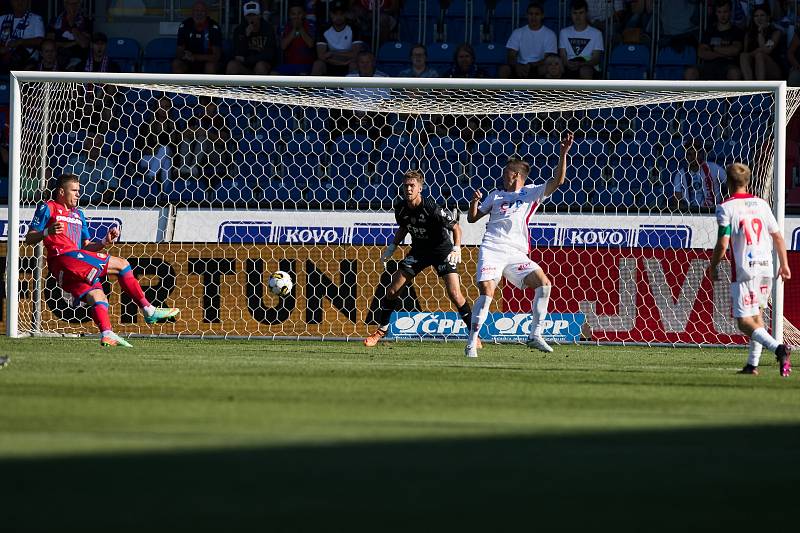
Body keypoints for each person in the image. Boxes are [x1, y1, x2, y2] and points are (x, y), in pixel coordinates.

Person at [25, 174, 180, 347]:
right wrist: (47, 232)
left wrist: (104, 242)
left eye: (79, 191)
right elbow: (29, 238)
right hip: (63, 258)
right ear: (61, 191)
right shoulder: (49, 207)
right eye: (74, 190)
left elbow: (85, 246)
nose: (78, 194)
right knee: (122, 265)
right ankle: (148, 309)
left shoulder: (78, 215)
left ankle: (107, 333)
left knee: (98, 296)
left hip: (72, 266)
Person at [464, 133, 574, 358]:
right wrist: (474, 203)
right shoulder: (495, 195)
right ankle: (472, 343)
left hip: (516, 253)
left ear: (515, 175)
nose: (502, 177)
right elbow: (472, 219)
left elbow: (558, 181)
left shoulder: (531, 193)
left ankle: (535, 335)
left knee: (544, 284)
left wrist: (563, 154)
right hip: (492, 248)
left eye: (506, 173)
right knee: (487, 292)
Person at [364, 170, 475, 347]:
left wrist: (456, 248)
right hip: (419, 252)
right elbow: (404, 227)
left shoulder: (431, 208)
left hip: (441, 251)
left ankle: (473, 335)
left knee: (455, 294)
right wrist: (392, 247)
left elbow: (456, 228)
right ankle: (381, 330)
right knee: (392, 291)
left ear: (420, 188)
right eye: (406, 185)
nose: (408, 189)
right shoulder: (400, 208)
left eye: (412, 186)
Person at [707, 162, 791, 377]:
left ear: (727, 182)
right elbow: (778, 236)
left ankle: (779, 349)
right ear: (748, 181)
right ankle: (752, 365)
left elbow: (723, 243)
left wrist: (714, 265)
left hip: (745, 270)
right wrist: (784, 264)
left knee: (744, 322)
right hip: (766, 268)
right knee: (758, 318)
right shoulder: (761, 204)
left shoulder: (726, 208)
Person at [685, 0, 743, 80]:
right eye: (719, 12)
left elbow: (735, 50)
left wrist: (712, 48)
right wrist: (725, 54)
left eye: (725, 12)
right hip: (708, 66)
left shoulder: (736, 31)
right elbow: (701, 53)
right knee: (690, 72)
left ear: (730, 12)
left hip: (728, 67)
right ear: (716, 13)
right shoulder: (710, 31)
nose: (722, 15)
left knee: (734, 73)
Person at [498, 2, 557, 79]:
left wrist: (531, 65)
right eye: (531, 14)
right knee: (504, 69)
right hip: (520, 66)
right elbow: (511, 55)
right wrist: (517, 66)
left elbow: (548, 59)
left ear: (542, 16)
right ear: (526, 15)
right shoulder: (518, 32)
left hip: (538, 66)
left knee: (548, 68)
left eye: (537, 14)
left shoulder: (550, 34)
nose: (533, 17)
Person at [63, 130, 118, 204]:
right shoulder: (74, 162)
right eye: (91, 143)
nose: (95, 147)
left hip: (98, 204)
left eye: (98, 144)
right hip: (75, 203)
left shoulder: (107, 164)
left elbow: (112, 187)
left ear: (101, 146)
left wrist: (101, 201)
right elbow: (64, 182)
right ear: (85, 146)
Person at [227, 1, 279, 75]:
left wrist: (247, 59)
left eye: (254, 15)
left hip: (263, 64)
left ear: (259, 16)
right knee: (232, 65)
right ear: (245, 17)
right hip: (246, 65)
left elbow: (269, 55)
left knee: (260, 66)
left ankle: (260, 87)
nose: (251, 18)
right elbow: (237, 54)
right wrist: (246, 37)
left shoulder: (268, 29)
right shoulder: (239, 30)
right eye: (249, 15)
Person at [312, 1, 362, 76]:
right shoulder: (323, 29)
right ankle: (312, 88)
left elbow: (355, 54)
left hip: (348, 63)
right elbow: (321, 56)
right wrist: (341, 62)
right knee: (318, 64)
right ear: (331, 15)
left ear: (346, 14)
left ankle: (354, 88)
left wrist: (333, 53)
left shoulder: (354, 28)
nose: (338, 17)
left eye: (341, 14)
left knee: (354, 64)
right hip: (330, 63)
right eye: (335, 14)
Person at [672, 139, 726, 209]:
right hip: (690, 213)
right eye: (689, 154)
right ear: (685, 156)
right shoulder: (680, 174)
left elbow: (730, 183)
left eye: (695, 154)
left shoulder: (713, 168)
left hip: (713, 211)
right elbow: (677, 198)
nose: (693, 157)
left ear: (701, 154)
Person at [173, 0, 222, 74]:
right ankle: (183, 86)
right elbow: (178, 51)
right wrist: (184, 55)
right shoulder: (185, 25)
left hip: (208, 61)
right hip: (189, 61)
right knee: (176, 64)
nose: (199, 13)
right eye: (196, 10)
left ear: (207, 13)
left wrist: (195, 57)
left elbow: (216, 56)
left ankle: (206, 86)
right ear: (192, 12)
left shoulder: (213, 27)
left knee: (210, 66)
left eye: (202, 11)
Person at [559, 0, 604, 79]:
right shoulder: (564, 32)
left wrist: (581, 64)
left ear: (586, 13)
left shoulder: (597, 33)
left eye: (581, 13)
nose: (578, 16)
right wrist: (567, 63)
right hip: (569, 65)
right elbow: (563, 56)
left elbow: (596, 59)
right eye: (575, 13)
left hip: (588, 66)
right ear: (571, 14)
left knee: (585, 70)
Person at [739, 4, 784, 81]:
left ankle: (760, 87)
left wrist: (760, 32)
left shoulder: (775, 32)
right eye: (756, 16)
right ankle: (749, 86)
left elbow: (767, 50)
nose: (759, 18)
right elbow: (746, 54)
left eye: (762, 15)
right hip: (753, 67)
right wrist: (756, 51)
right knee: (743, 56)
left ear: (768, 17)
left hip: (772, 68)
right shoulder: (748, 33)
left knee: (760, 55)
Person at [0, 0, 45, 73]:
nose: (20, 2)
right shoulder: (2, 19)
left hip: (27, 63)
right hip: (4, 61)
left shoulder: (36, 19)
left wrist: (21, 42)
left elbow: (40, 41)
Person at [47, 0, 92, 71]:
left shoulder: (86, 21)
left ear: (79, 4)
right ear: (65, 4)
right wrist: (75, 42)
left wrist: (72, 25)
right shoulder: (55, 21)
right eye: (69, 4)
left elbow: (84, 44)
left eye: (75, 3)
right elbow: (50, 44)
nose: (72, 6)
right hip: (58, 59)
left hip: (79, 61)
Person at [278, 0, 315, 75]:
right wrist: (294, 29)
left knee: (302, 77)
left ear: (304, 14)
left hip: (306, 66)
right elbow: (283, 46)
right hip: (288, 65)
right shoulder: (284, 26)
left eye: (299, 13)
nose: (296, 16)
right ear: (289, 15)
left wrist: (300, 28)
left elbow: (311, 44)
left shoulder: (310, 25)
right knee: (273, 74)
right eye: (293, 14)